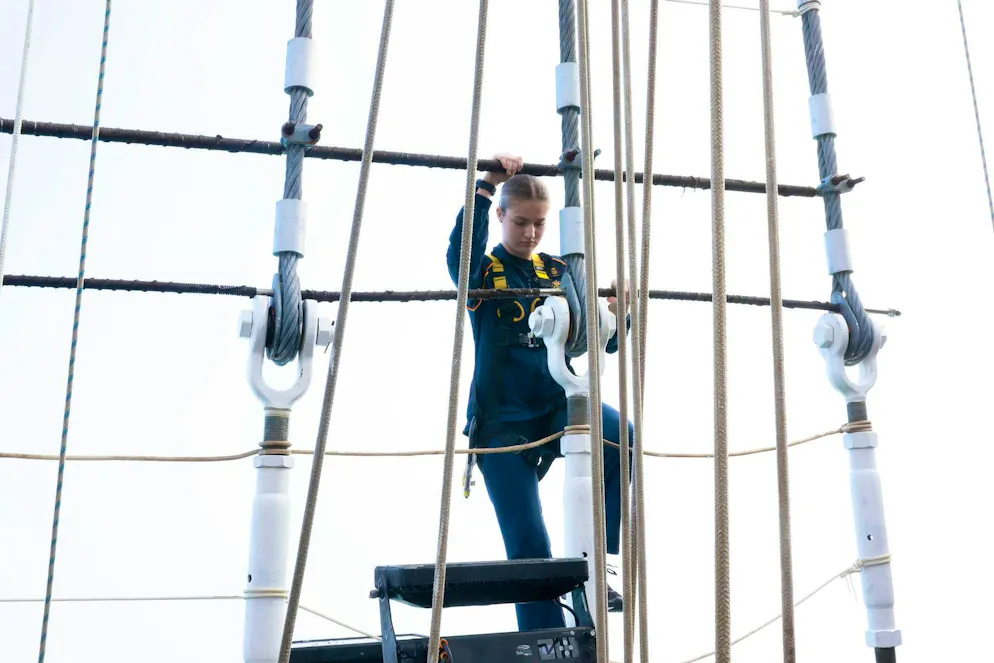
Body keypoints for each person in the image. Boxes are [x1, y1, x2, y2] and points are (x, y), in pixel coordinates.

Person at [446, 153, 634, 632]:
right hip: (500, 423)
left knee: (621, 438)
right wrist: (485, 186)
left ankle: (601, 568)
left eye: (540, 225)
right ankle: (546, 640)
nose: (530, 233)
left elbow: (597, 338)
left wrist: (616, 312)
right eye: (521, 223)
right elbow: (459, 259)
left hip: (555, 406)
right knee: (528, 542)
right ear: (502, 218)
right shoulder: (484, 276)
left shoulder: (559, 270)